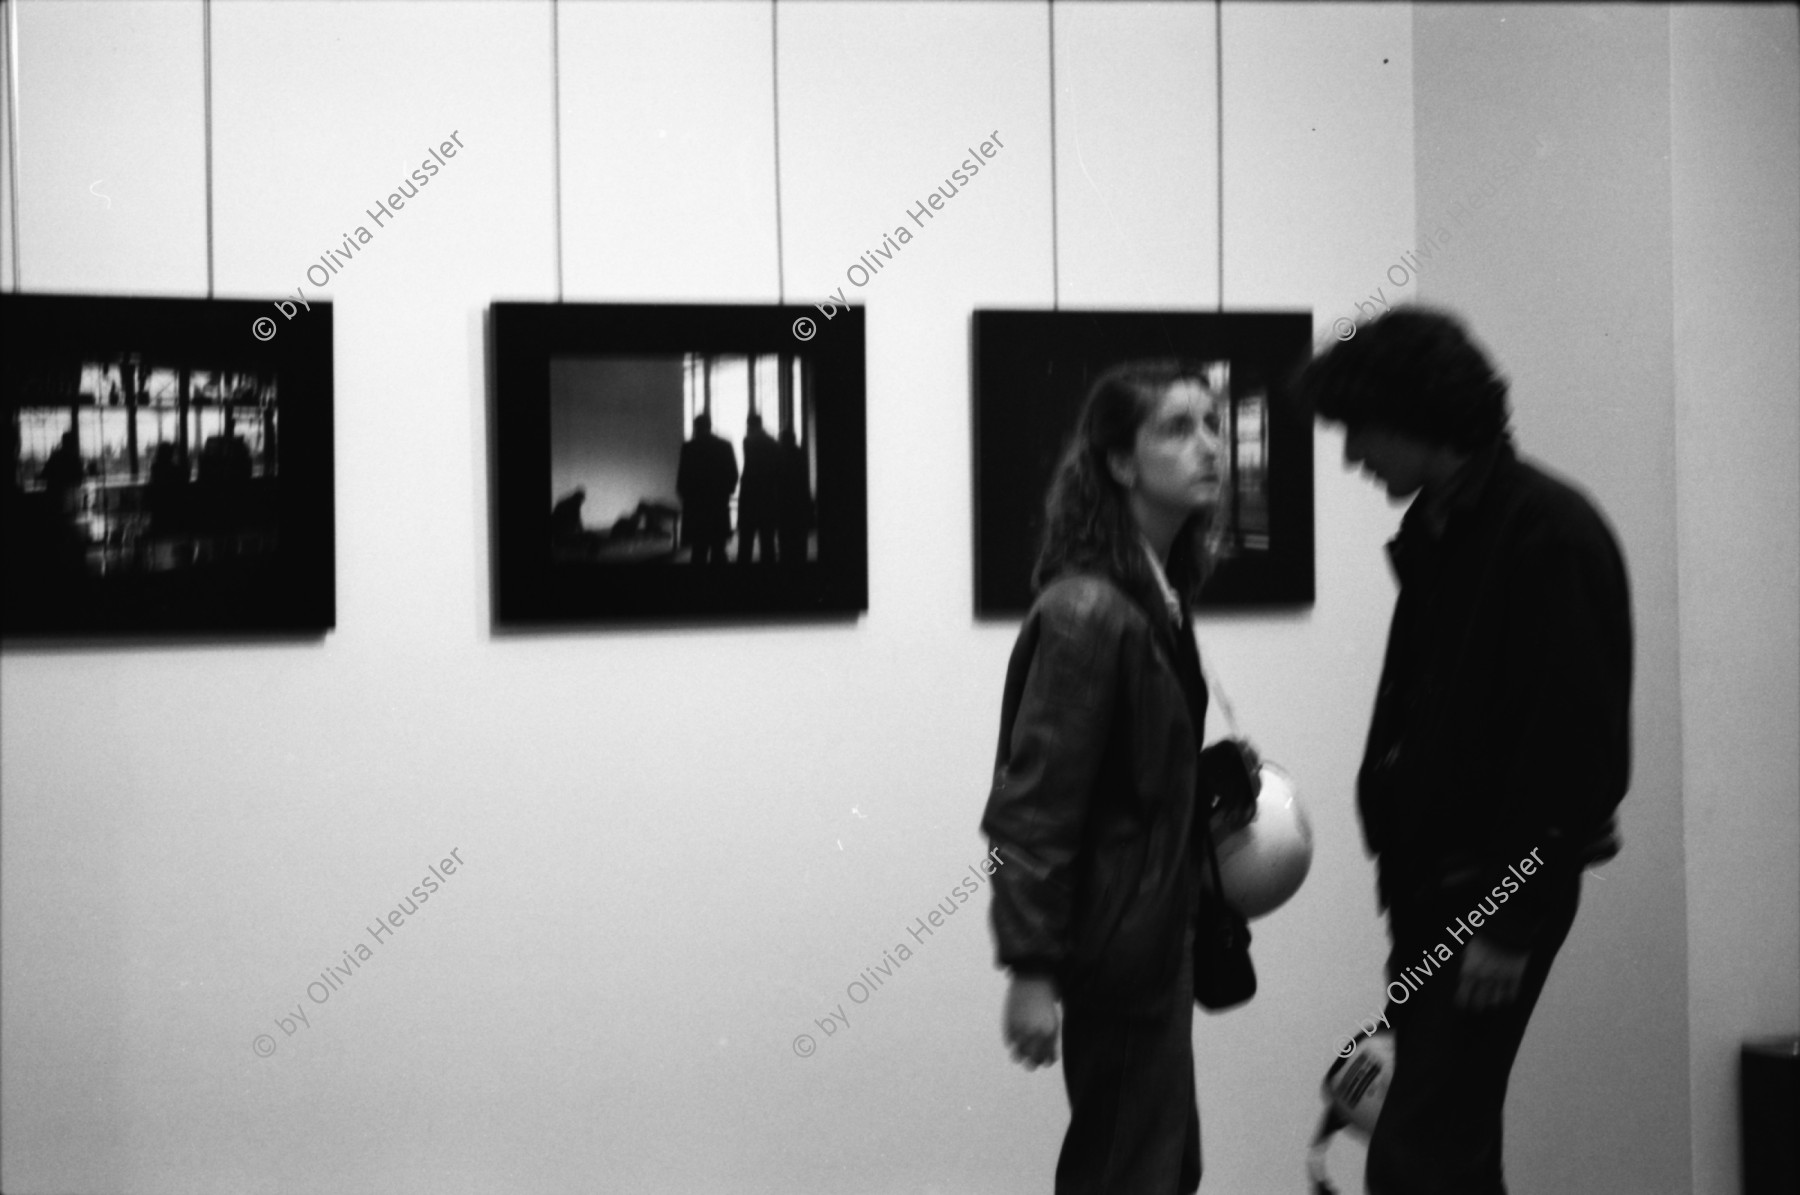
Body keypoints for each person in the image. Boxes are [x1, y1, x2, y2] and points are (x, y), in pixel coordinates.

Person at [1294, 307, 1632, 1195]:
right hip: (1432, 886)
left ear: (1416, 416)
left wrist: (1510, 921)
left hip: (1485, 895)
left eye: (1359, 431)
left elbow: (1576, 757)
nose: (1352, 456)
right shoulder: (1450, 531)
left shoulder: (1544, 533)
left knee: (1420, 1151)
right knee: (1443, 1139)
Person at [980, 360, 1260, 1195]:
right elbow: (1033, 809)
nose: (1209, 445)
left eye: (1211, 423)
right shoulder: (1088, 611)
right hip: (1118, 944)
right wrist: (1031, 971)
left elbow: (1118, 769)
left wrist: (1196, 776)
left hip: (1151, 932)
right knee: (1129, 1171)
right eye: (1177, 428)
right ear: (1119, 461)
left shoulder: (1156, 593)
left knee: (1164, 1165)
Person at [675, 413, 738, 565]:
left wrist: (685, 495)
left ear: (696, 427)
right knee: (718, 547)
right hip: (717, 501)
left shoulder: (689, 447)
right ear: (710, 426)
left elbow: (683, 475)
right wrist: (726, 491)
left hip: (696, 503)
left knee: (698, 549)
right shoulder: (724, 445)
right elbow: (733, 473)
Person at [737, 413, 779, 565]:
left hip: (750, 493)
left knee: (746, 540)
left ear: (750, 425)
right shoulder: (772, 442)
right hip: (767, 494)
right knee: (767, 538)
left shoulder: (748, 441)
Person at [774, 426, 814, 565]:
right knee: (799, 539)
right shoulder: (800, 454)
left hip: (783, 502)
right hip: (799, 502)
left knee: (785, 537)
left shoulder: (778, 455)